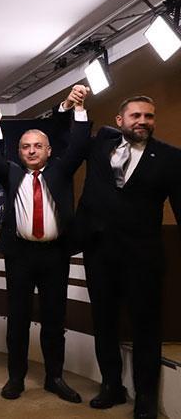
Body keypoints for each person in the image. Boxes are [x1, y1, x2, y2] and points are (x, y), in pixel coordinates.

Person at [0, 85, 91, 403]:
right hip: (20, 255)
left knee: (54, 320)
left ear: (49, 150)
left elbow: (79, 144)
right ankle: (15, 378)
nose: (31, 151)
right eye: (25, 147)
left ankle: (54, 377)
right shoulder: (12, 174)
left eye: (37, 146)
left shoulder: (61, 171)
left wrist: (78, 109)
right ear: (19, 152)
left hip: (55, 255)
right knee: (17, 319)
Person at [76, 95, 181, 419]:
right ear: (120, 120)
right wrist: (73, 107)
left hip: (143, 257)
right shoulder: (101, 143)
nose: (143, 121)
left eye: (149, 116)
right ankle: (111, 385)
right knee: (104, 322)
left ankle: (145, 397)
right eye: (136, 115)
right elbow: (73, 138)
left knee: (145, 327)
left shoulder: (170, 157)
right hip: (100, 254)